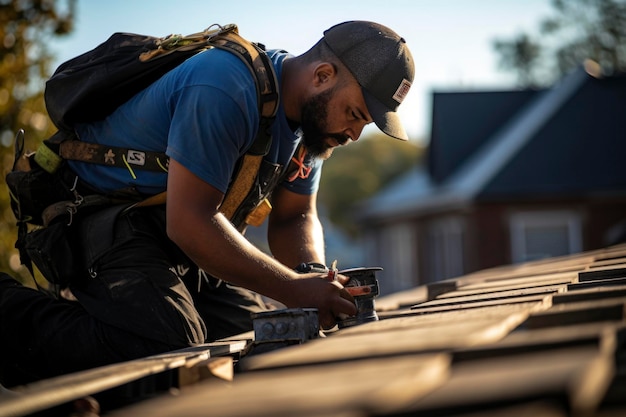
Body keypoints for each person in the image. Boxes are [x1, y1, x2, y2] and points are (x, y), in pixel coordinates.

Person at [0, 20, 414, 387]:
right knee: (169, 355)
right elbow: (190, 223)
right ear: (323, 75)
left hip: (175, 242)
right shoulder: (225, 86)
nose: (355, 134)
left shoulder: (309, 127)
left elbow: (294, 218)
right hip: (102, 221)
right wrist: (290, 288)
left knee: (267, 341)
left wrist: (312, 278)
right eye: (355, 114)